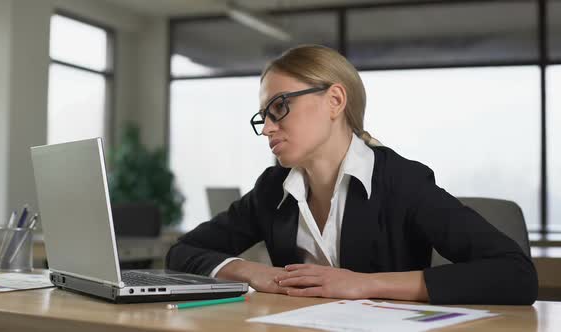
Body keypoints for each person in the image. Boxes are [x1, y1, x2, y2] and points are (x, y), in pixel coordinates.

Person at [166, 44, 538, 305]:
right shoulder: (272, 189)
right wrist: (254, 273)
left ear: (335, 101)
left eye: (279, 108)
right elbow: (182, 252)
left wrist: (364, 285)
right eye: (263, 117)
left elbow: (515, 274)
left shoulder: (401, 181)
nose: (267, 128)